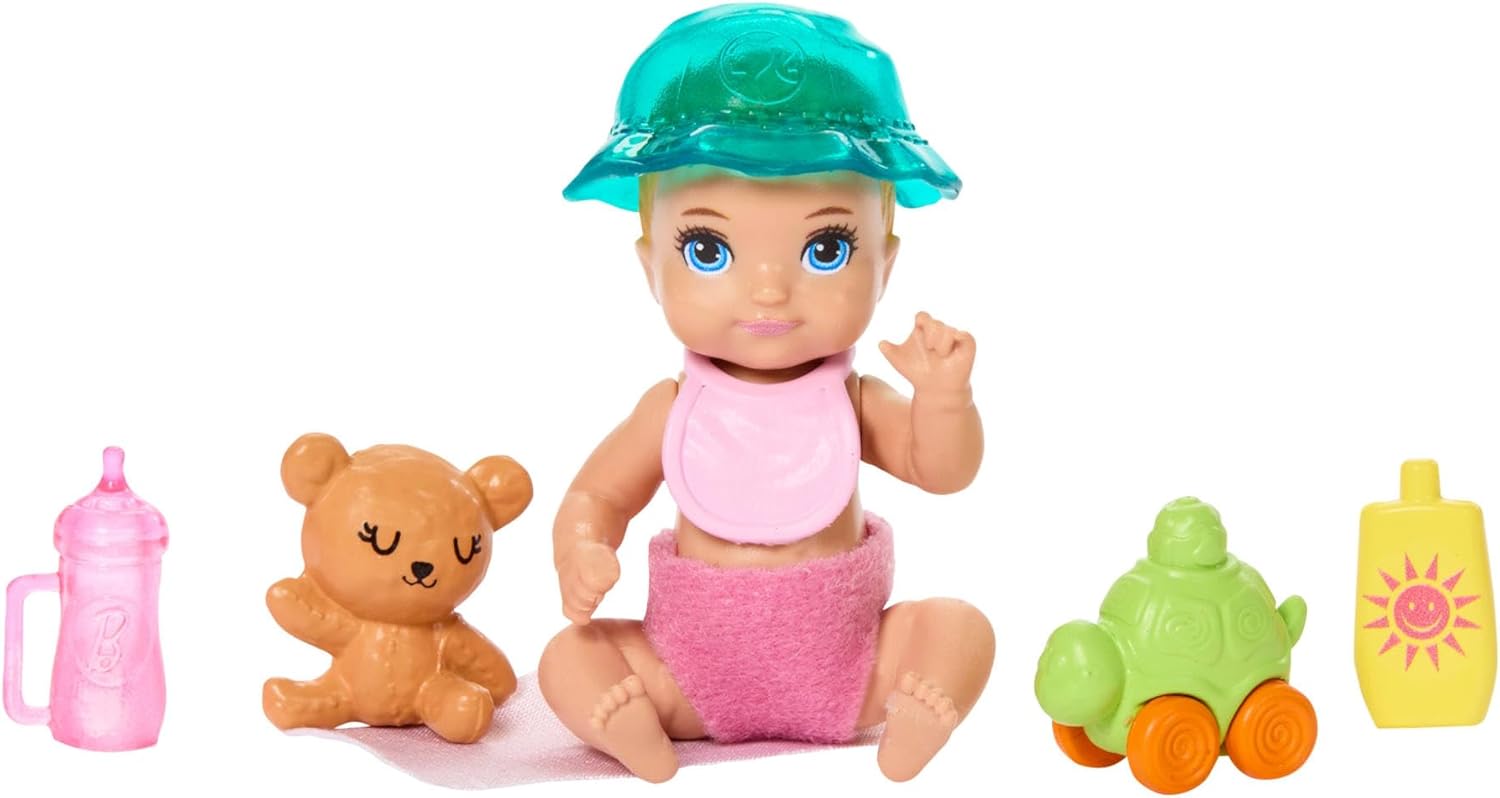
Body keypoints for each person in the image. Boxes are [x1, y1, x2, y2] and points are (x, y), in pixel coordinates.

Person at [538, 4, 995, 783]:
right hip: (682, 673)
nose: (770, 289)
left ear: (885, 264)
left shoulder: (854, 402)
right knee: (569, 657)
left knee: (959, 629)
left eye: (827, 248)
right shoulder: (670, 411)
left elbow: (941, 470)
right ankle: (636, 730)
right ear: (651, 267)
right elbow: (597, 495)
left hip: (853, 671)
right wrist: (581, 549)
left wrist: (943, 400)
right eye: (708, 249)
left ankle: (914, 721)